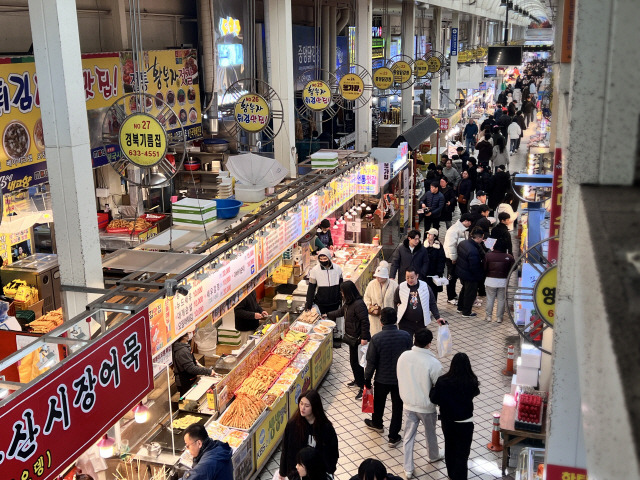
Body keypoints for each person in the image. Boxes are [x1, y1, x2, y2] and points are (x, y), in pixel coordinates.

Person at [397, 328, 444, 479]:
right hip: (427, 406)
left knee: (408, 437)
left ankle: (408, 468)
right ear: (429, 344)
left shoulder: (404, 356)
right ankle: (433, 455)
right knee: (430, 433)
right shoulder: (433, 363)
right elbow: (439, 387)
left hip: (408, 403)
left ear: (414, 339)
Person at [363, 308, 412, 447]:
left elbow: (371, 361)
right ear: (396, 319)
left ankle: (377, 424)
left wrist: (367, 379)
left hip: (381, 379)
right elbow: (410, 357)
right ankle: (393, 436)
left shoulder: (377, 338)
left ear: (381, 321)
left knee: (379, 403)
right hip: (400, 380)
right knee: (398, 407)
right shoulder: (406, 336)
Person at [429, 353, 480, 480]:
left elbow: (434, 399)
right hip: (466, 422)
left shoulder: (442, 381)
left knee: (450, 448)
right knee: (463, 452)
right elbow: (475, 392)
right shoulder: (471, 381)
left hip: (448, 422)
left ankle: (451, 475)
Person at [280, 390, 339, 480]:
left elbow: (332, 451)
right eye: (301, 403)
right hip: (297, 473)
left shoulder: (325, 427)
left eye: (307, 406)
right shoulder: (293, 424)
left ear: (314, 407)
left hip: (318, 474)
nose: (302, 408)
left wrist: (330, 469)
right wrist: (282, 472)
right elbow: (286, 449)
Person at [327, 281, 370, 399]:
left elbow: (365, 321)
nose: (341, 294)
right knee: (353, 362)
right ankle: (357, 380)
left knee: (360, 364)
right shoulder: (348, 303)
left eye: (342, 292)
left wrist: (364, 337)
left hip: (359, 339)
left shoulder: (359, 304)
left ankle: (363, 387)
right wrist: (327, 315)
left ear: (348, 292)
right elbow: (340, 312)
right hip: (352, 339)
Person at [394, 267, 445, 336]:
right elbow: (396, 301)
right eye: (407, 277)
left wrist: (437, 317)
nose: (409, 280)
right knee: (407, 344)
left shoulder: (425, 286)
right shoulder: (401, 287)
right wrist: (396, 315)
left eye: (412, 278)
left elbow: (432, 303)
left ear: (417, 276)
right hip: (405, 323)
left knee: (420, 344)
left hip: (421, 323)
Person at [172, 328, 213, 396]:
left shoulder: (183, 346)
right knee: (186, 402)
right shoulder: (182, 351)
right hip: (185, 382)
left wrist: (193, 360)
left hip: (190, 379)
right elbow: (191, 369)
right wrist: (208, 371)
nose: (192, 334)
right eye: (190, 332)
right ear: (184, 336)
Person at [443, 213, 473, 305]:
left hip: (456, 257)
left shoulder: (461, 229)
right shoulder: (454, 230)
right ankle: (450, 297)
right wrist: (453, 258)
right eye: (470, 222)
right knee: (451, 277)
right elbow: (451, 245)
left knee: (454, 277)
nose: (470, 224)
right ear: (465, 221)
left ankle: (453, 294)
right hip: (451, 258)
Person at [455, 228, 485, 318]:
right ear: (479, 238)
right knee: (470, 293)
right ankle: (466, 312)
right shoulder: (473, 251)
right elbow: (474, 267)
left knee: (464, 290)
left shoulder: (463, 243)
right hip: (470, 275)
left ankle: (460, 307)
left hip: (461, 271)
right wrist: (479, 276)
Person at [483, 240, 515, 323]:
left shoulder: (488, 256)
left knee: (490, 299)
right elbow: (513, 268)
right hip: (503, 281)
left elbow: (484, 268)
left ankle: (489, 316)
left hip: (490, 281)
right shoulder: (509, 257)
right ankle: (499, 318)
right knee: (501, 300)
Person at [363, 261, 398, 336]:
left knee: (390, 337)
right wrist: (370, 307)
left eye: (380, 276)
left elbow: (398, 300)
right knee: (376, 336)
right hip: (375, 317)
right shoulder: (371, 284)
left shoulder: (394, 285)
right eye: (377, 276)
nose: (378, 278)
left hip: (390, 317)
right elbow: (366, 297)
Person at [305, 248, 343, 315]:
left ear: (329, 258)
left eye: (325, 259)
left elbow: (341, 286)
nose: (323, 261)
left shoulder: (337, 269)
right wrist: (308, 305)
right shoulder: (315, 270)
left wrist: (341, 301)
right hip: (321, 304)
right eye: (321, 259)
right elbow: (311, 289)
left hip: (335, 304)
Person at [424, 228, 446, 302]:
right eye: (428, 234)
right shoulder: (423, 245)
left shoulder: (439, 247)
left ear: (435, 236)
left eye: (430, 234)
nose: (428, 235)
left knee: (434, 291)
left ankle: (433, 307)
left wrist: (439, 271)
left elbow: (441, 260)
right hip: (425, 273)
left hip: (434, 273)